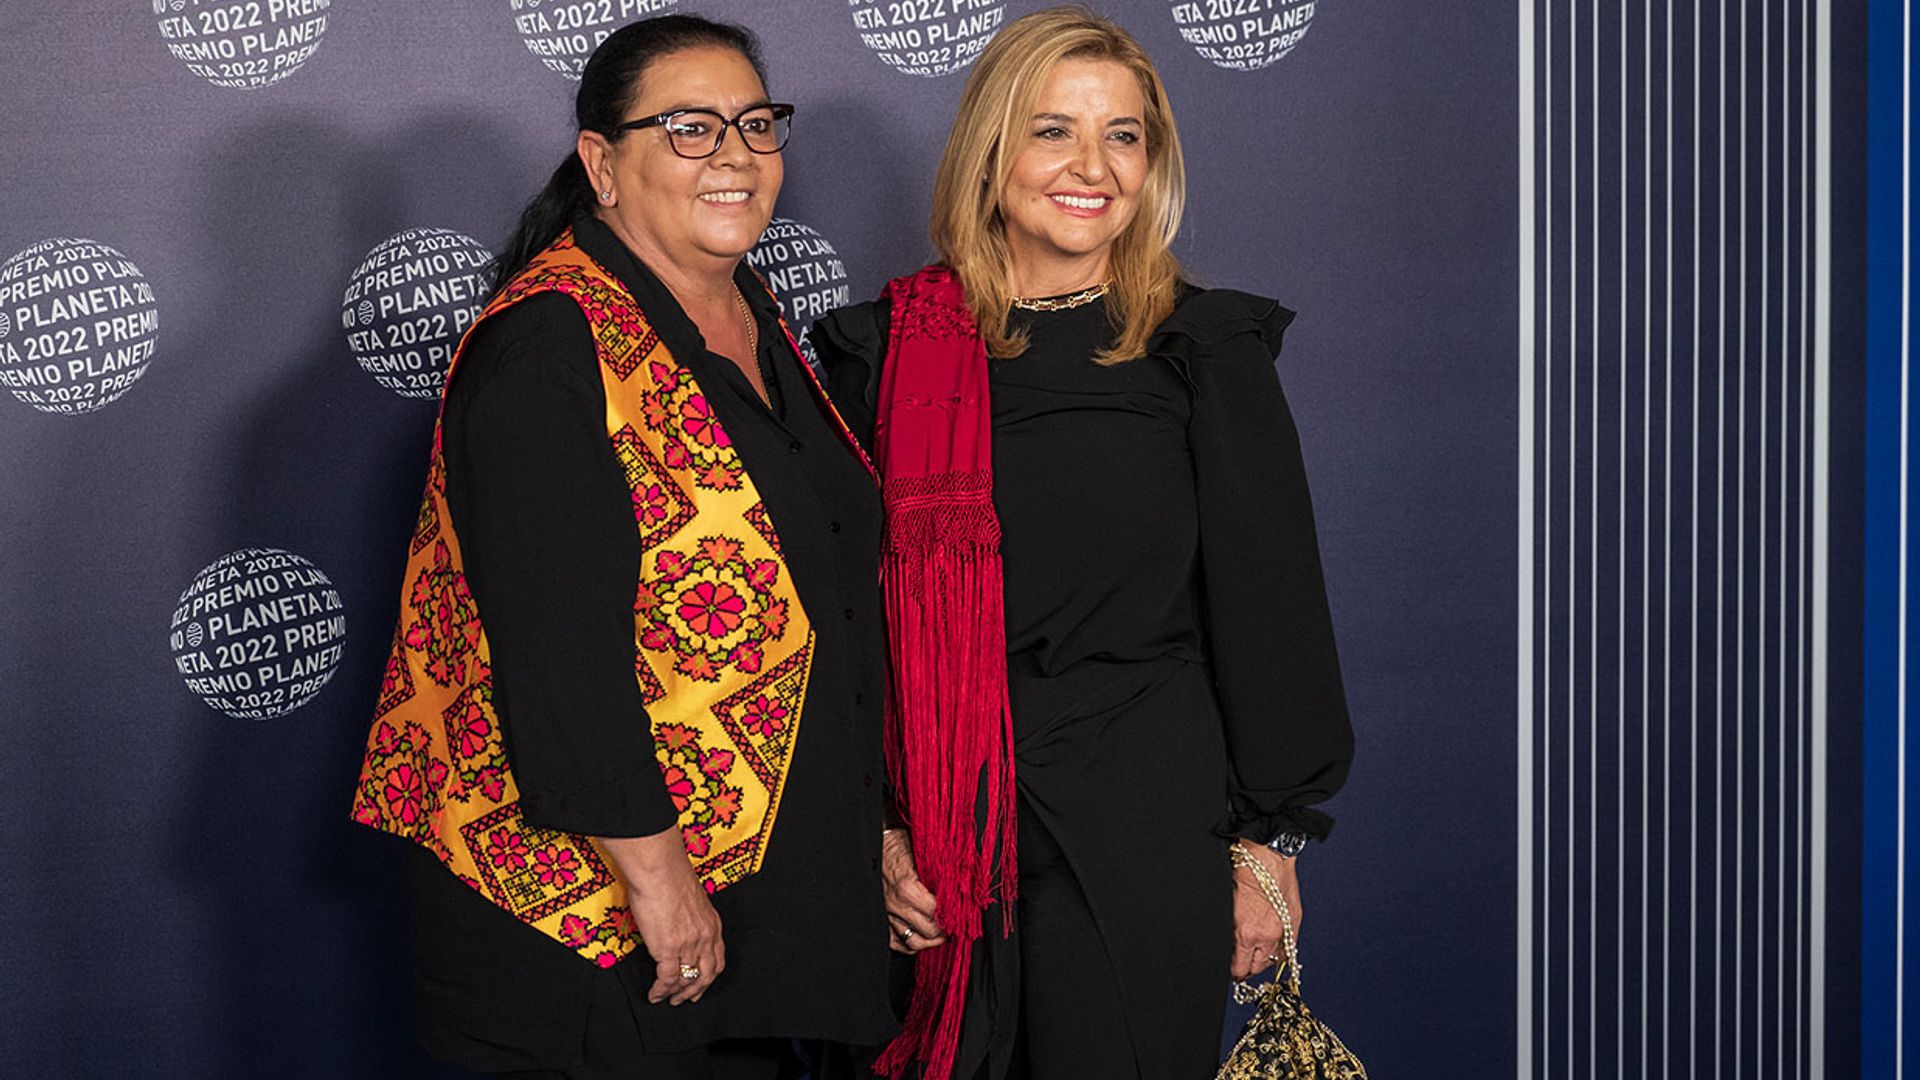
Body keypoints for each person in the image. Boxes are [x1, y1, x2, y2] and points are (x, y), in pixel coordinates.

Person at [810, 8, 1354, 1079]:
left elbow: (1271, 606)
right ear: (991, 150)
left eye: (1125, 135)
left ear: (1153, 163)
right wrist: (870, 835)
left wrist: (1272, 841)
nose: (1092, 167)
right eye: (1054, 130)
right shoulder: (882, 354)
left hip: (1138, 830)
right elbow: (835, 628)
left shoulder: (1201, 346)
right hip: (934, 842)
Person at [349, 15, 893, 1079]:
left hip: (755, 909)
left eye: (755, 123)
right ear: (603, 162)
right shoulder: (548, 343)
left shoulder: (754, 314)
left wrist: (871, 836)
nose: (735, 153)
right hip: (590, 931)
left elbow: (822, 595)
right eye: (688, 128)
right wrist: (660, 882)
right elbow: (558, 656)